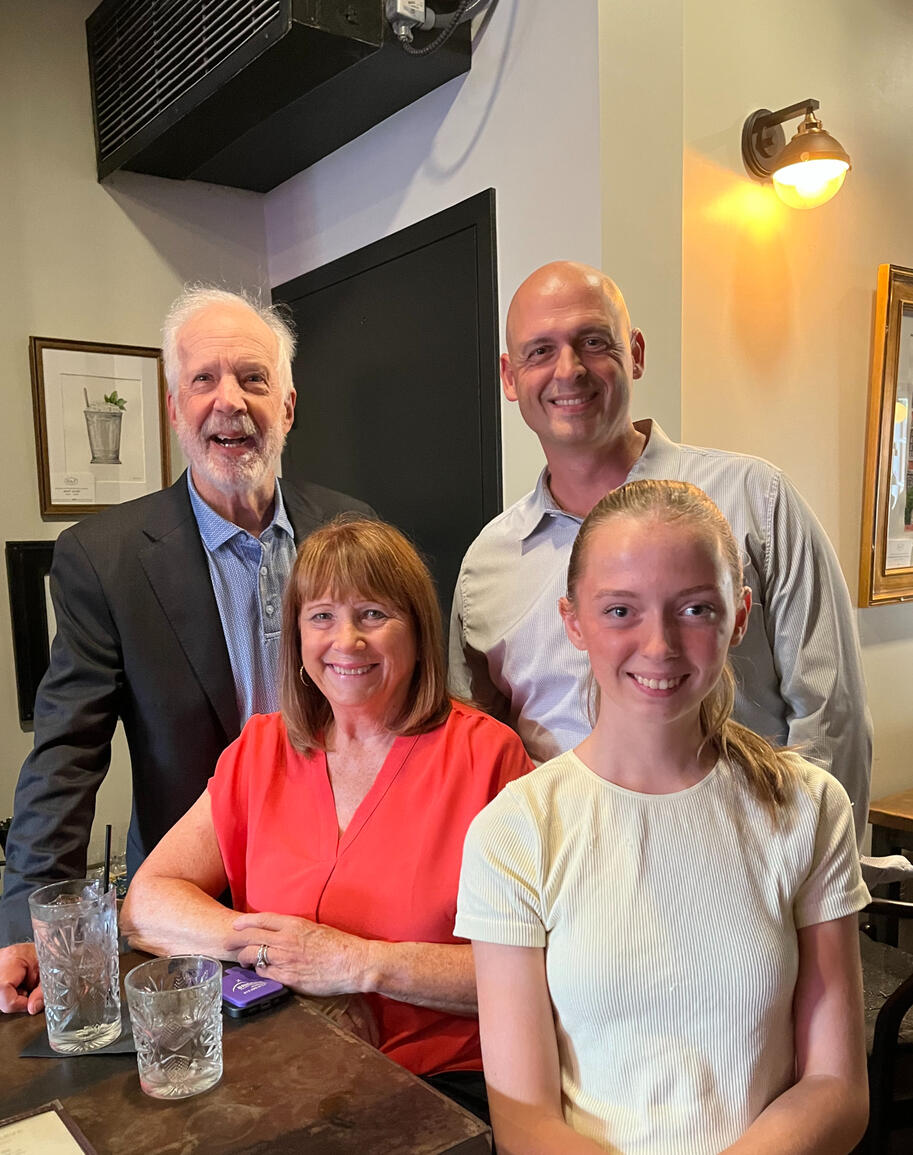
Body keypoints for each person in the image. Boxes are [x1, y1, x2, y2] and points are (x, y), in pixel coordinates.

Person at [456, 479, 870, 1154]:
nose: (658, 644)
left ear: (737, 618)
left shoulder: (806, 808)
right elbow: (525, 1120)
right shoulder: (515, 831)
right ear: (573, 620)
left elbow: (834, 1086)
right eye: (620, 610)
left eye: (694, 609)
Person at [0, 287, 373, 1012]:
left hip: (342, 895)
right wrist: (25, 926)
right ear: (175, 408)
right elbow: (66, 753)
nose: (227, 401)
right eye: (203, 379)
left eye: (253, 378)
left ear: (288, 407)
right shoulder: (104, 559)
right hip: (187, 905)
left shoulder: (352, 528)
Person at [450, 261, 871, 845]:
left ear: (637, 353)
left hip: (749, 873)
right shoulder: (487, 566)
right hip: (573, 893)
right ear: (509, 376)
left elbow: (832, 717)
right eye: (540, 351)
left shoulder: (755, 501)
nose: (568, 370)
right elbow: (474, 755)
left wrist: (812, 882)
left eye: (594, 342)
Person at [121, 516, 532, 1114]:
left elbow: (531, 973)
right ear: (296, 636)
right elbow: (147, 903)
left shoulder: (488, 757)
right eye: (321, 616)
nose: (347, 641)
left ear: (417, 629)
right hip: (282, 1067)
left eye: (373, 614)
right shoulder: (261, 750)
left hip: (443, 1086)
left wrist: (357, 963)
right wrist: (268, 950)